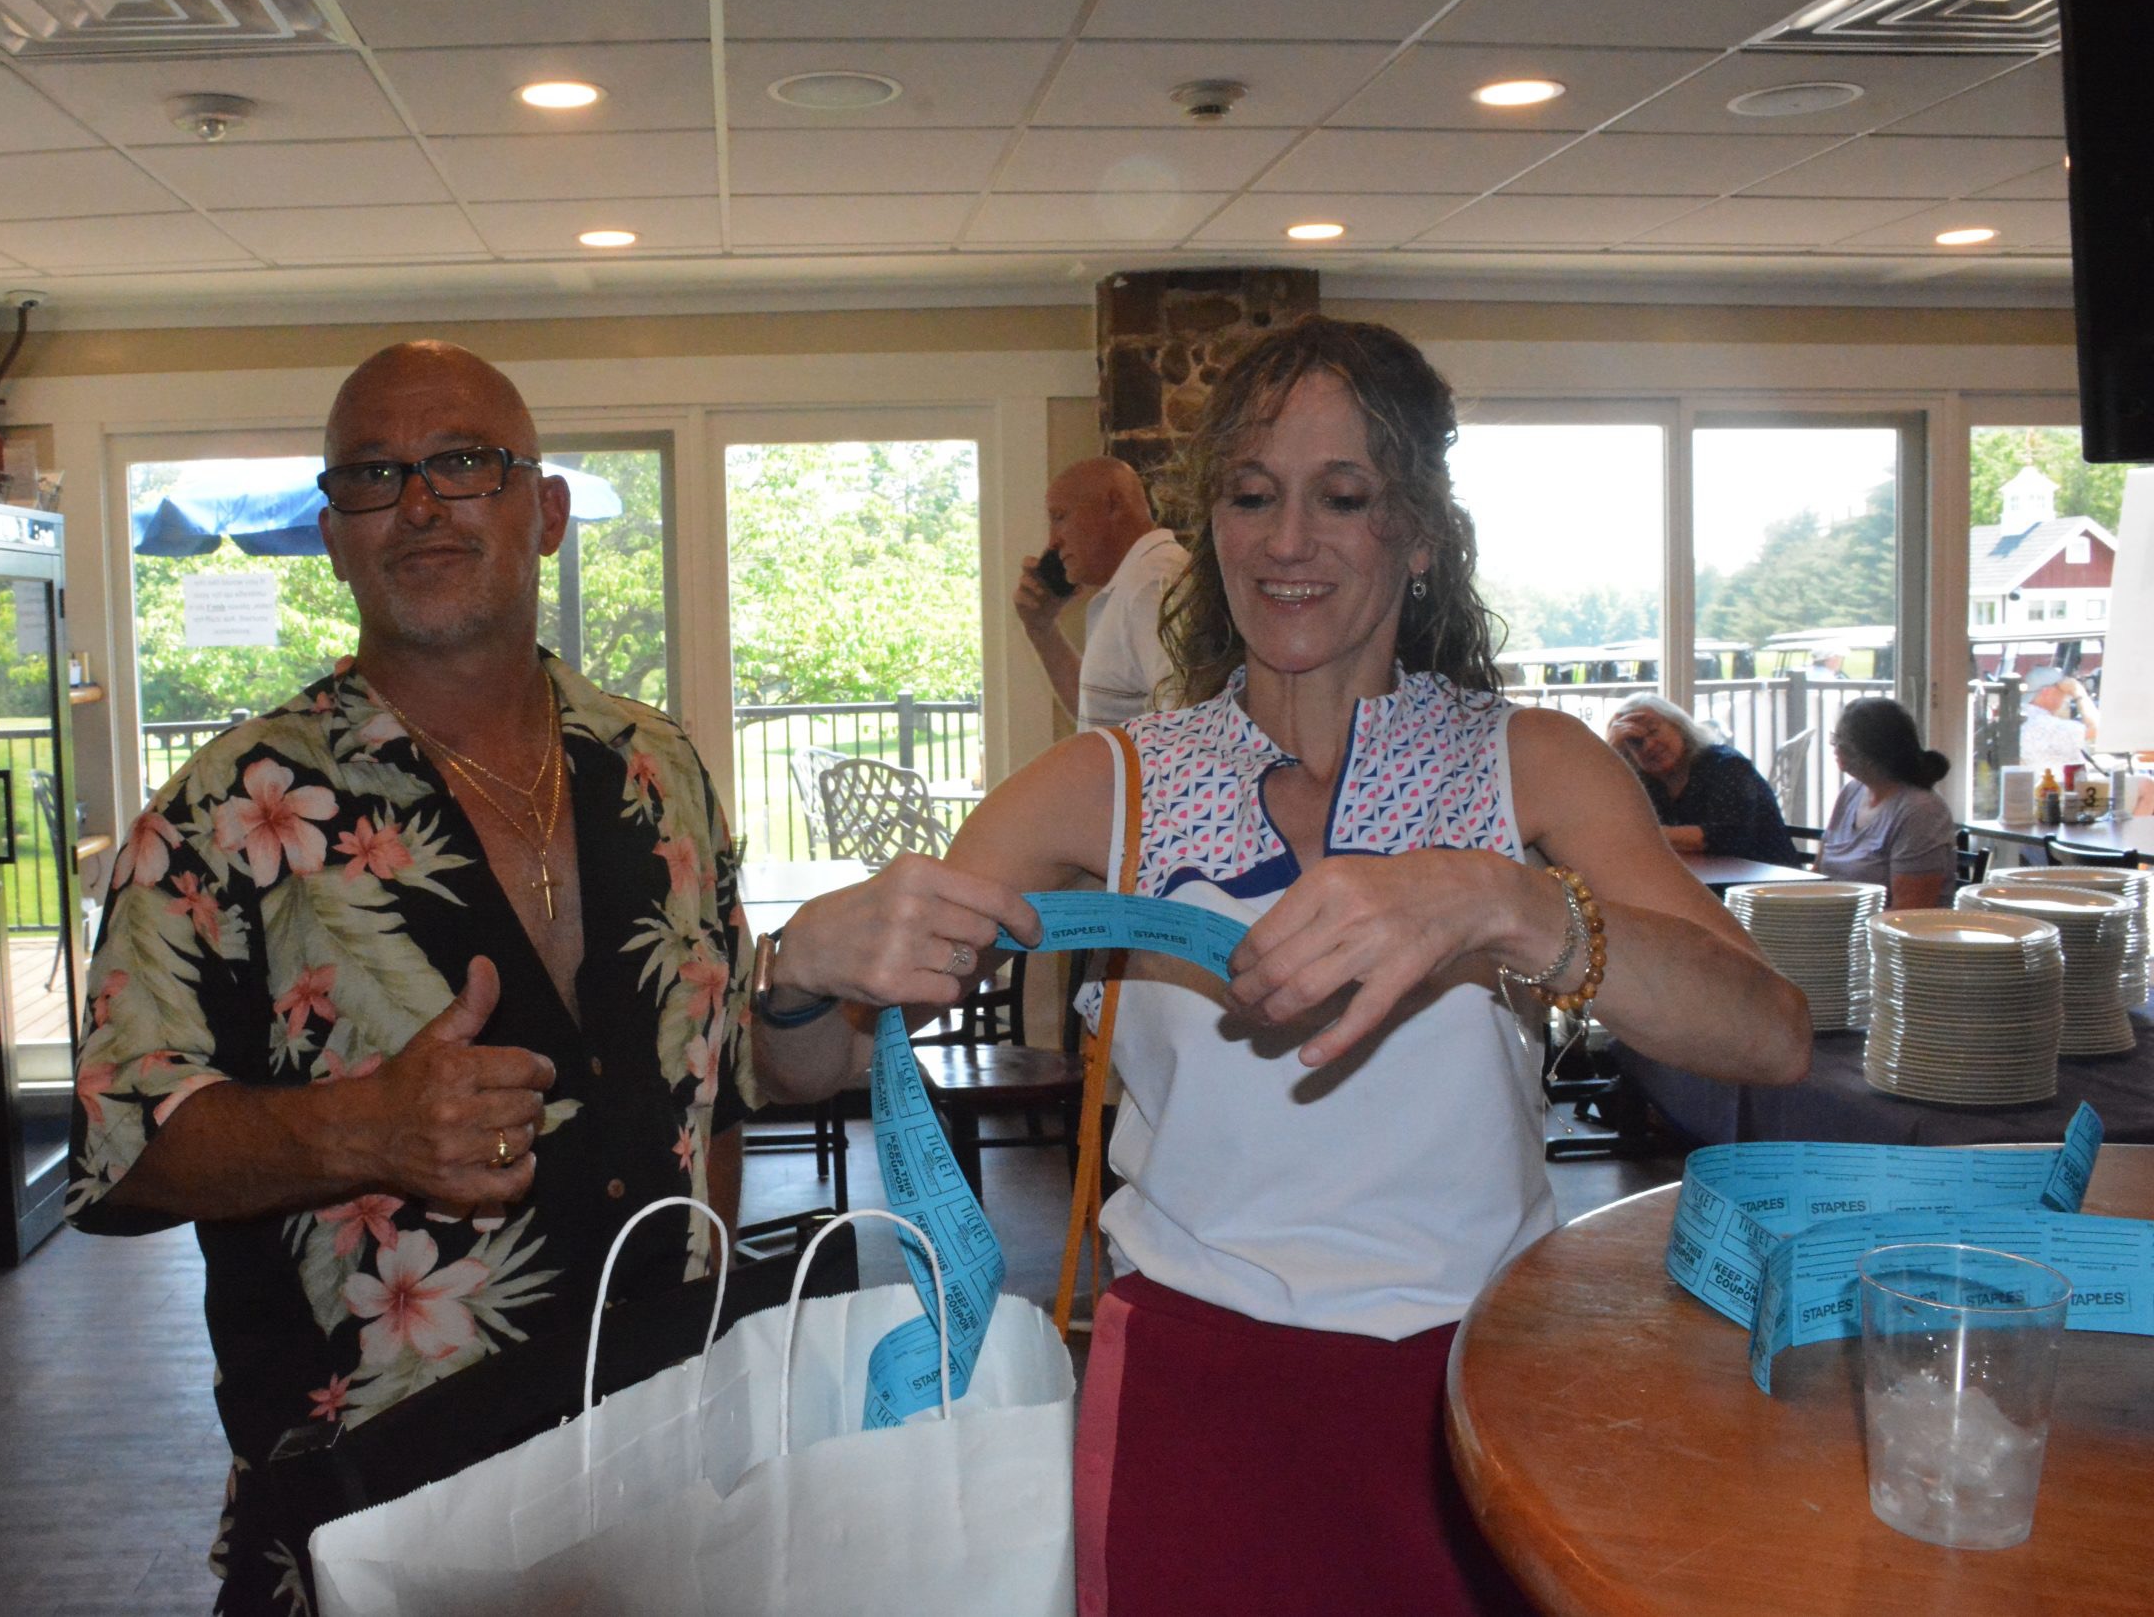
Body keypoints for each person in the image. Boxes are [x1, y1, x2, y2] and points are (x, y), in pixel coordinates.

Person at [747, 315, 1810, 1616]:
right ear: (1213, 530)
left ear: (1419, 534)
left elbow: (1769, 1035)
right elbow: (810, 1067)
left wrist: (1513, 903)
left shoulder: (1531, 764)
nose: (1287, 540)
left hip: (1484, 1384)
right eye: (1252, 496)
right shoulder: (1105, 785)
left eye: (1341, 496)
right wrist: (800, 973)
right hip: (1196, 1395)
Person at [67, 342, 752, 1614]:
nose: (422, 503)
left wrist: (829, 994)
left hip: (659, 1471)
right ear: (334, 535)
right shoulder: (226, 812)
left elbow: (719, 1093)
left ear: (545, 511)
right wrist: (358, 1131)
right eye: (375, 476)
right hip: (375, 1501)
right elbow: (120, 1145)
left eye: (463, 463)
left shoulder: (659, 769)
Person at [1015, 454, 1190, 723]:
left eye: (1060, 517)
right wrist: (1041, 629)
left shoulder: (1152, 584)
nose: (1052, 541)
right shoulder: (1134, 584)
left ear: (1113, 504)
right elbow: (1097, 713)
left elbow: (1184, 721)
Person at [1604, 694, 1805, 866]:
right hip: (1702, 881)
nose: (1649, 745)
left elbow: (1721, 836)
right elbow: (1606, 823)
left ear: (1679, 726)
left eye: (1653, 731)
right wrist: (1609, 752)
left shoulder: (1726, 765)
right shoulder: (1646, 781)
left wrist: (1639, 834)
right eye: (1636, 742)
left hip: (1765, 886)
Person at [1821, 697, 1959, 910]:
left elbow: (1910, 912)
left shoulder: (1921, 811)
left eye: (1839, 741)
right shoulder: (1852, 793)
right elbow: (1819, 876)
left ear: (1870, 754)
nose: (1834, 747)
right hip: (1834, 925)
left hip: (1886, 930)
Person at [2017, 665, 2098, 772]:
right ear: (2047, 692)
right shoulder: (2044, 724)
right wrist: (2078, 692)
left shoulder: (2021, 716)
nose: (2066, 696)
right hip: (2051, 782)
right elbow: (2096, 729)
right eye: (2063, 691)